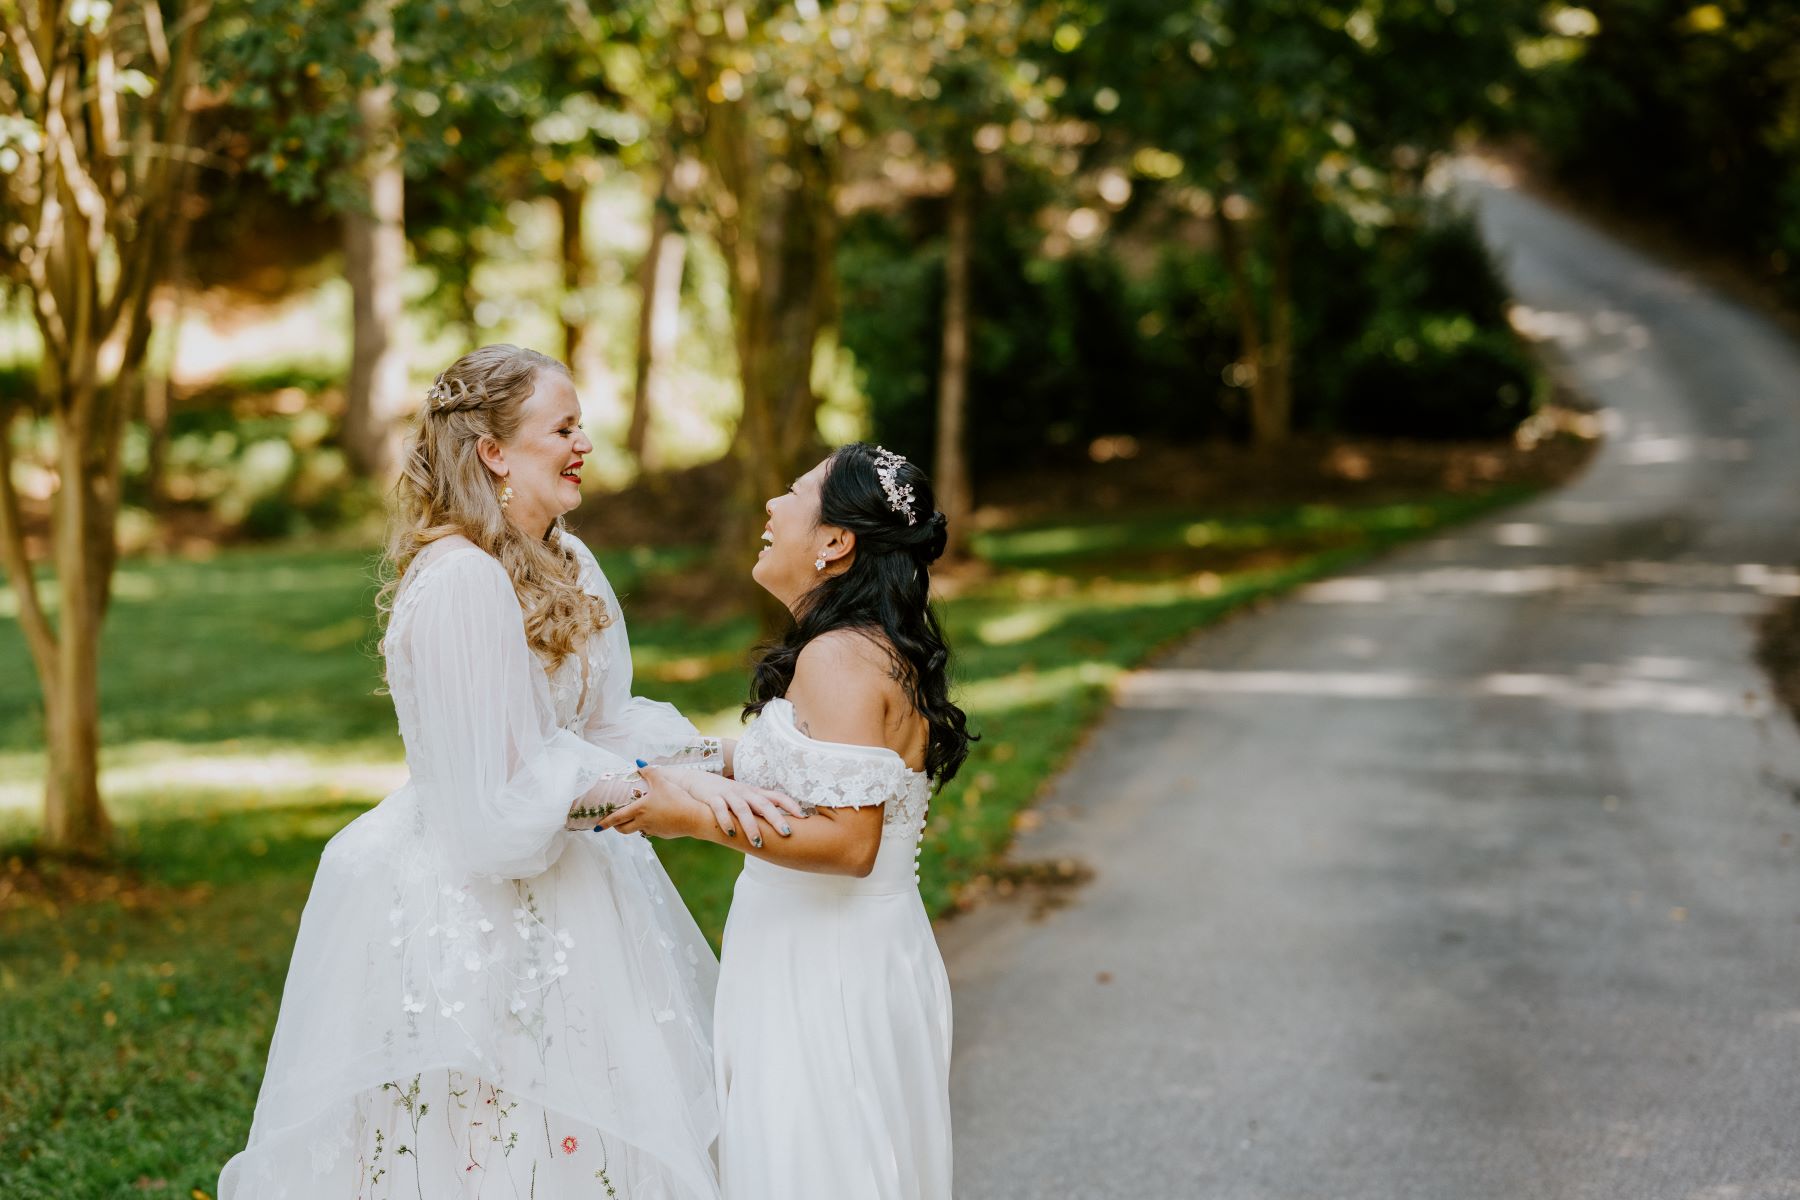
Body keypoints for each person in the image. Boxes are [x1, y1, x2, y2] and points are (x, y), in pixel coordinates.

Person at [218, 344, 797, 1200]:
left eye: (580, 427)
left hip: (583, 890)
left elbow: (603, 723)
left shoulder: (570, 560)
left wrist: (730, 760)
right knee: (495, 1146)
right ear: (493, 451)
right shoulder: (460, 582)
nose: (584, 445)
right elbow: (496, 802)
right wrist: (665, 798)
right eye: (563, 428)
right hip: (474, 913)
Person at [603, 442, 974, 1199]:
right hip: (843, 957)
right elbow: (806, 768)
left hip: (825, 972)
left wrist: (692, 817)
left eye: (794, 492)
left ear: (836, 543)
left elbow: (849, 840)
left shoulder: (838, 658)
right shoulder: (863, 649)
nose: (770, 507)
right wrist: (688, 760)